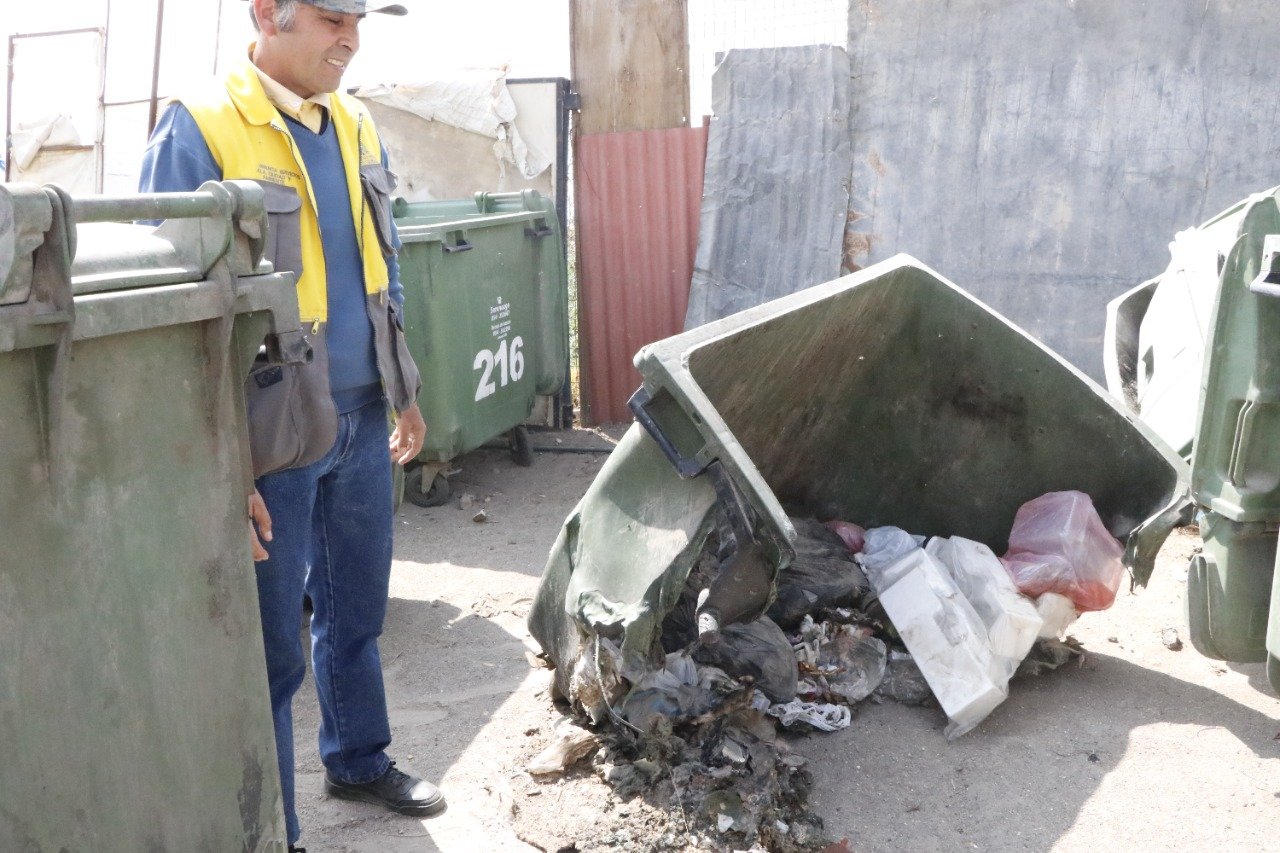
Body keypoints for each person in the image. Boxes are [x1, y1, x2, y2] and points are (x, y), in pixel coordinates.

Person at [138, 1, 439, 848]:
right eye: (329, 16)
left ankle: (358, 757)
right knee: (270, 649)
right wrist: (220, 461)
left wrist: (402, 384)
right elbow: (169, 316)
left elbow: (385, 263)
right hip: (272, 432)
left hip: (364, 411)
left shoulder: (357, 123)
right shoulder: (197, 128)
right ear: (267, 11)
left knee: (355, 611)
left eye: (358, 20)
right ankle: (278, 827)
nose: (349, 37)